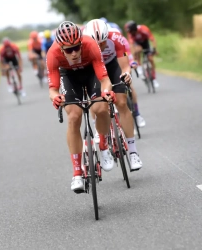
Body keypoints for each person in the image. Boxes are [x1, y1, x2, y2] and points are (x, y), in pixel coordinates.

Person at [47, 21, 116, 192]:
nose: (75, 52)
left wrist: (107, 92)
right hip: (69, 76)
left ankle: (103, 145)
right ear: (61, 48)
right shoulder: (53, 54)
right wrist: (56, 98)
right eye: (69, 50)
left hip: (90, 72)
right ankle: (77, 172)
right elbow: (53, 89)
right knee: (74, 116)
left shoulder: (90, 45)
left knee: (101, 107)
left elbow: (104, 79)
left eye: (77, 47)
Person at [83, 19, 143, 171]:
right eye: (95, 44)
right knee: (99, 106)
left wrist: (127, 75)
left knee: (122, 103)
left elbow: (124, 66)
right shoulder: (83, 44)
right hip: (94, 70)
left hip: (112, 65)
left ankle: (133, 152)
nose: (100, 47)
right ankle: (101, 129)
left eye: (102, 43)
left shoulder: (115, 37)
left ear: (107, 37)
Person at [105, 26, 146, 130]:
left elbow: (128, 56)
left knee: (129, 85)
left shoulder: (121, 40)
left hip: (120, 62)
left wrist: (132, 64)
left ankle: (136, 114)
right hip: (105, 65)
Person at [124, 20, 159, 88]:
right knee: (138, 50)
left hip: (145, 43)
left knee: (150, 59)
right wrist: (133, 56)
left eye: (131, 32)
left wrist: (154, 49)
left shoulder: (144, 29)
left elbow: (152, 39)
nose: (130, 33)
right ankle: (139, 66)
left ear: (134, 29)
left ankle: (154, 79)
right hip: (137, 44)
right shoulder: (130, 33)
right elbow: (131, 44)